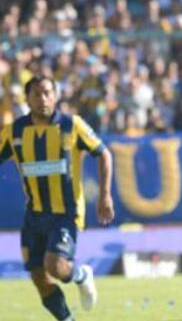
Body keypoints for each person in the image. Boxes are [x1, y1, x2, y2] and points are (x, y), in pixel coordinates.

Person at [0, 76, 115, 320]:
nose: (43, 99)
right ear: (27, 99)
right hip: (34, 215)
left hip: (66, 212)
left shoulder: (72, 125)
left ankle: (81, 275)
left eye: (47, 93)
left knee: (55, 266)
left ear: (56, 96)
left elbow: (104, 154)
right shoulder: (14, 132)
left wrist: (105, 195)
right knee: (39, 277)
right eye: (37, 94)